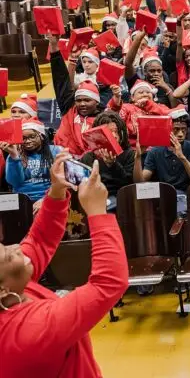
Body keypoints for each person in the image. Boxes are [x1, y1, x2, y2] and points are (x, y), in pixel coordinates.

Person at [0, 153, 128, 377]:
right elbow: (107, 284)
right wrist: (98, 212)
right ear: (2, 290)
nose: (16, 247)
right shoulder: (30, 331)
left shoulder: (13, 288)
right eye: (8, 256)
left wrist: (57, 192)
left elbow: (39, 240)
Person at [133, 110, 190, 193]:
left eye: (184, 129)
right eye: (176, 129)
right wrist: (138, 157)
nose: (180, 134)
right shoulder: (155, 151)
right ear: (168, 129)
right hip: (164, 194)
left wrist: (182, 158)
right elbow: (140, 184)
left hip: (187, 194)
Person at [3, 118, 63, 202]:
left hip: (49, 196)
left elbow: (61, 182)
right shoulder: (15, 154)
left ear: (41, 136)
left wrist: (45, 200)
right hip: (22, 198)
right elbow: (14, 182)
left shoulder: (56, 151)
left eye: (32, 136)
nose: (28, 141)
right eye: (23, 138)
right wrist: (14, 156)